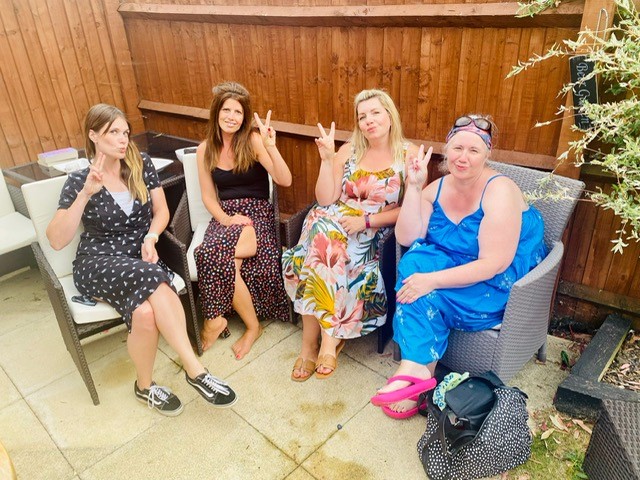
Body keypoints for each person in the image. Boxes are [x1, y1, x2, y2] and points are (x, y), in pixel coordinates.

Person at [47, 103, 237, 416]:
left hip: (140, 257)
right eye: (113, 133)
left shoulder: (140, 165)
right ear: (93, 135)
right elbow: (56, 239)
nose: (123, 140)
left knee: (146, 314)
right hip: (97, 264)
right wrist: (85, 194)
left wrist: (151, 237)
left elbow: (161, 212)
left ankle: (144, 387)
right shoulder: (79, 180)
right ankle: (196, 371)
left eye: (125, 132)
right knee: (154, 277)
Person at [370, 115, 548, 419]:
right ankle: (417, 372)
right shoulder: (437, 187)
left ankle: (415, 371)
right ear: (447, 149)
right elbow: (406, 236)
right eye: (457, 148)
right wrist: (414, 187)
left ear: (487, 154)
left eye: (474, 150)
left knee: (422, 290)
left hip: (496, 280)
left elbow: (493, 264)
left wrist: (432, 281)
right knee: (413, 264)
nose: (463, 157)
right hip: (459, 261)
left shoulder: (499, 190)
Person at [283, 89, 418, 381]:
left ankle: (314, 343)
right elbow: (325, 199)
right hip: (331, 221)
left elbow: (412, 209)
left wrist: (367, 221)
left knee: (321, 249)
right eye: (362, 116)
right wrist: (326, 160)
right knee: (322, 236)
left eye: (375, 113)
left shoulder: (409, 154)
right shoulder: (350, 150)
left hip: (371, 231)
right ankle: (323, 342)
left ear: (390, 115)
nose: (369, 121)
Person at [195, 82, 292, 359]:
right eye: (226, 110)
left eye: (237, 112)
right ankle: (251, 326)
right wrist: (226, 218)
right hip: (226, 216)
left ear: (244, 117)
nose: (231, 117)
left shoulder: (253, 141)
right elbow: (208, 196)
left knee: (211, 255)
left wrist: (272, 147)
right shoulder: (205, 150)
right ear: (216, 113)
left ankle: (215, 320)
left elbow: (284, 180)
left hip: (256, 214)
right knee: (214, 254)